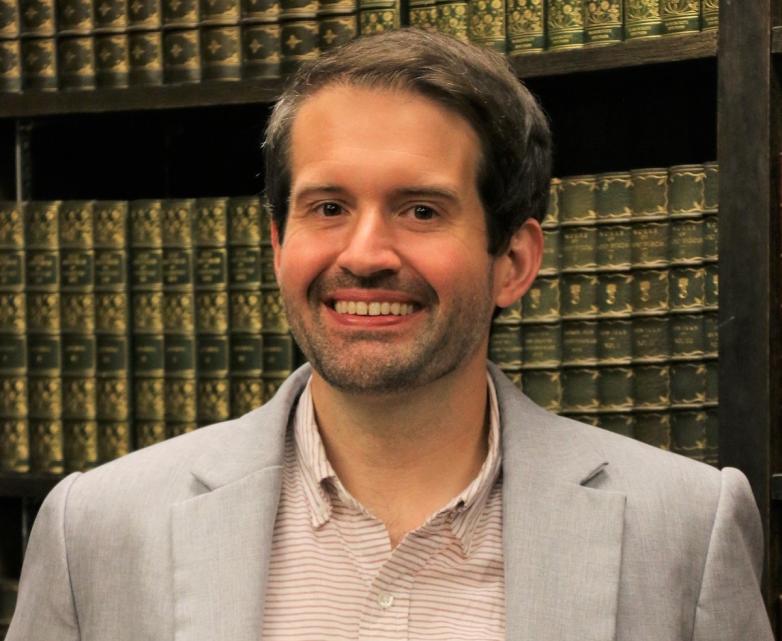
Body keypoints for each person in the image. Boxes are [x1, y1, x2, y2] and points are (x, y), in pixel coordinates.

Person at [7, 29, 773, 641]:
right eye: (328, 207)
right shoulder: (95, 533)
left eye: (421, 210)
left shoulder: (685, 531)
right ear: (277, 246)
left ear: (513, 261)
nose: (365, 254)